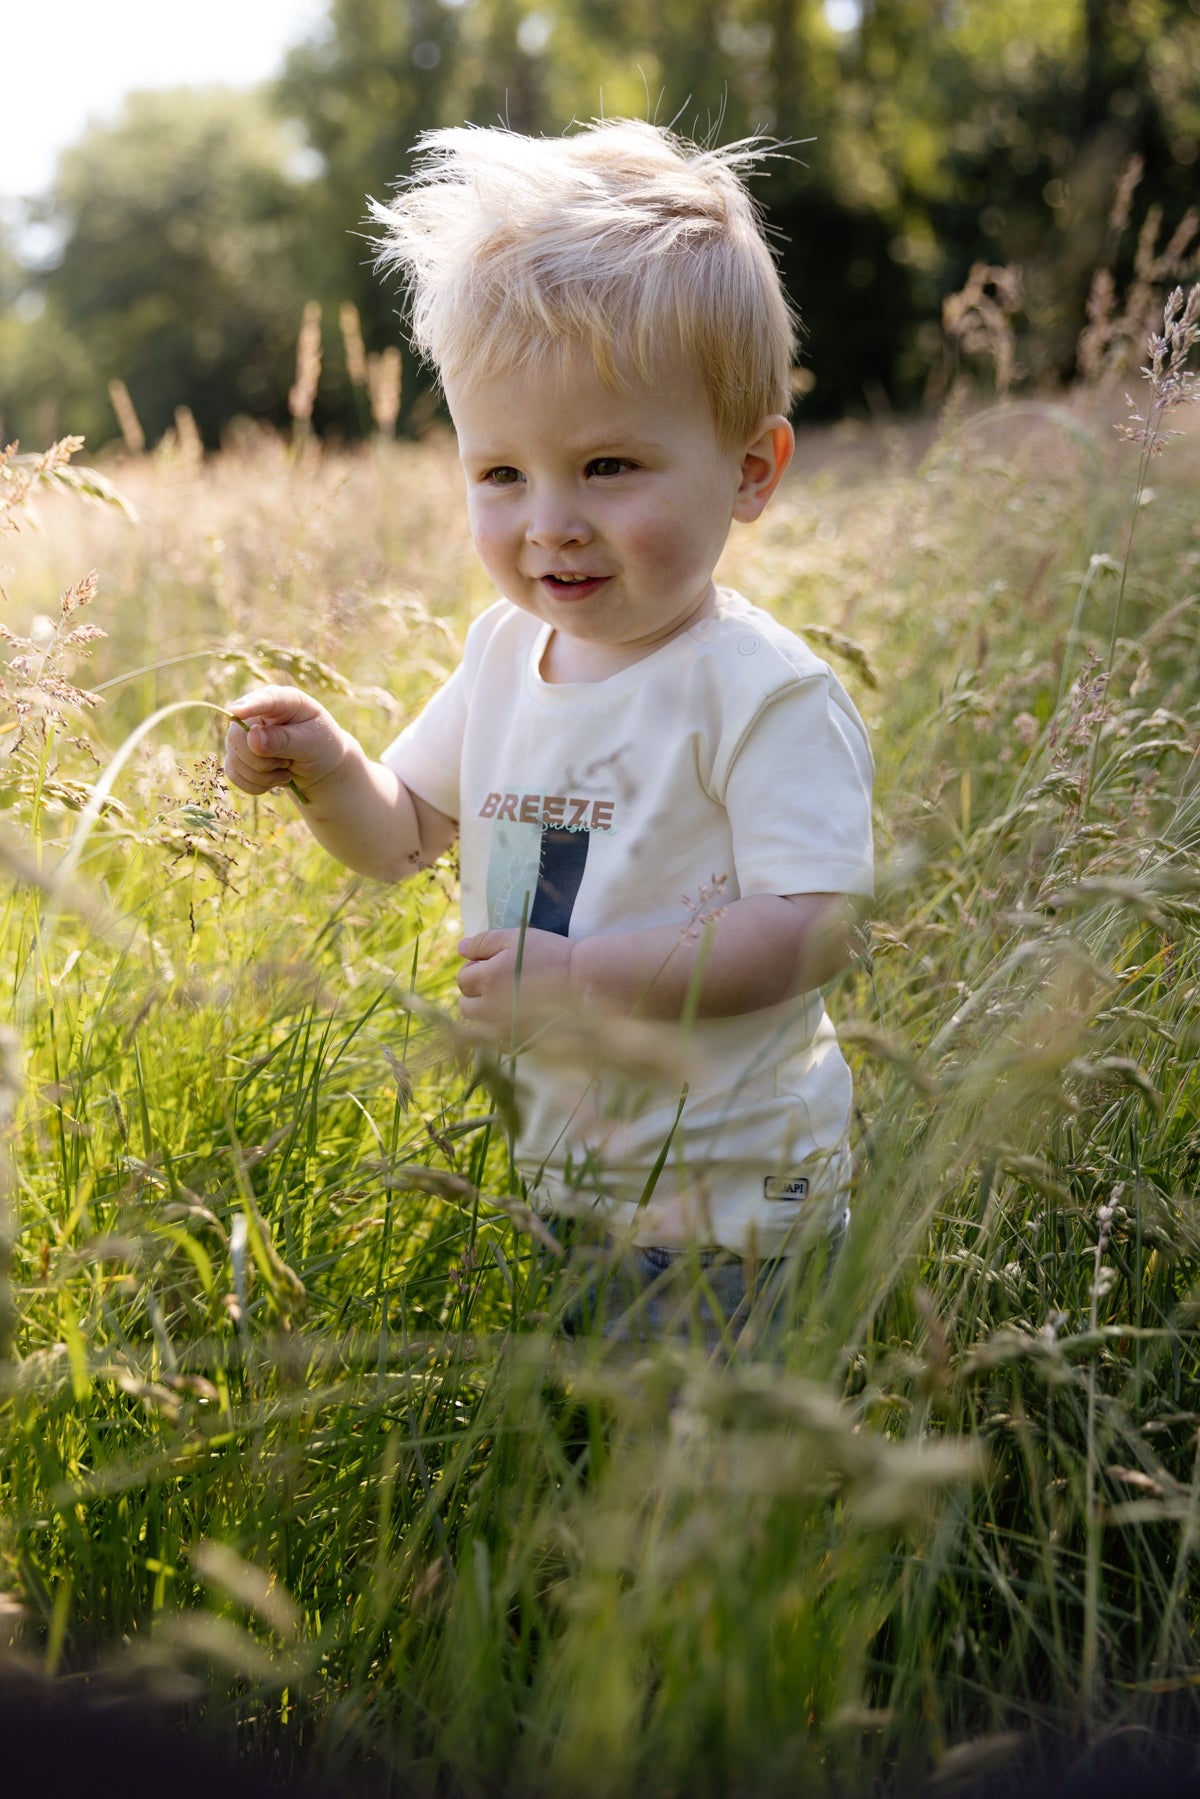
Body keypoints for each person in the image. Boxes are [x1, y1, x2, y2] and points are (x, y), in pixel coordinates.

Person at [223, 119, 874, 1346]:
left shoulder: (760, 692)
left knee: (704, 1449)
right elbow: (402, 833)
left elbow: (809, 926)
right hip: (568, 1176)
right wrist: (324, 767)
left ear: (751, 469)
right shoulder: (500, 657)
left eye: (609, 465)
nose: (550, 522)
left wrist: (579, 981)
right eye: (502, 474)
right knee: (591, 1432)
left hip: (728, 1198)